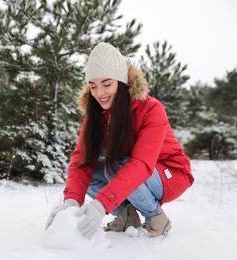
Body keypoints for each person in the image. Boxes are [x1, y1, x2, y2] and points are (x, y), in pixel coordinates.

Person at [45, 42, 194, 239]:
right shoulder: (96, 115)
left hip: (170, 172)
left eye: (107, 84)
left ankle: (156, 218)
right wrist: (71, 201)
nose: (99, 93)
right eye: (93, 86)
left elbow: (140, 164)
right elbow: (82, 160)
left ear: (121, 82)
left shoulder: (151, 109)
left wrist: (100, 205)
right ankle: (126, 216)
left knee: (115, 167)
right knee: (93, 167)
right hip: (130, 171)